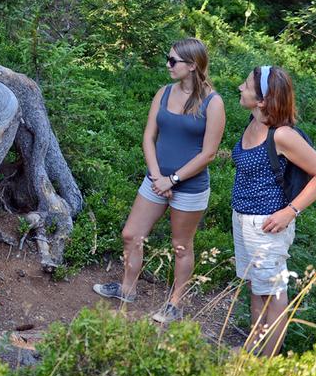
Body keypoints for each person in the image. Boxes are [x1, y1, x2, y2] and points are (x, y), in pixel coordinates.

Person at [94, 38, 225, 323]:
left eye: (173, 61)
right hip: (155, 180)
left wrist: (173, 180)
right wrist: (157, 177)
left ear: (192, 66)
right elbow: (148, 136)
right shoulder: (163, 93)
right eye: (168, 58)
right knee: (131, 234)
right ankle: (127, 289)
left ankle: (175, 304)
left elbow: (209, 153)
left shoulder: (213, 103)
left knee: (181, 246)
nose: (168, 65)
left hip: (189, 187)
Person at [231, 65, 316, 356]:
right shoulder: (253, 123)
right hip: (242, 220)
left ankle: (268, 363)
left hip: (267, 225)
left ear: (262, 100)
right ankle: (251, 350)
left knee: (274, 294)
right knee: (256, 288)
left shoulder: (282, 136)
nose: (240, 87)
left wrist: (290, 211)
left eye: (246, 85)